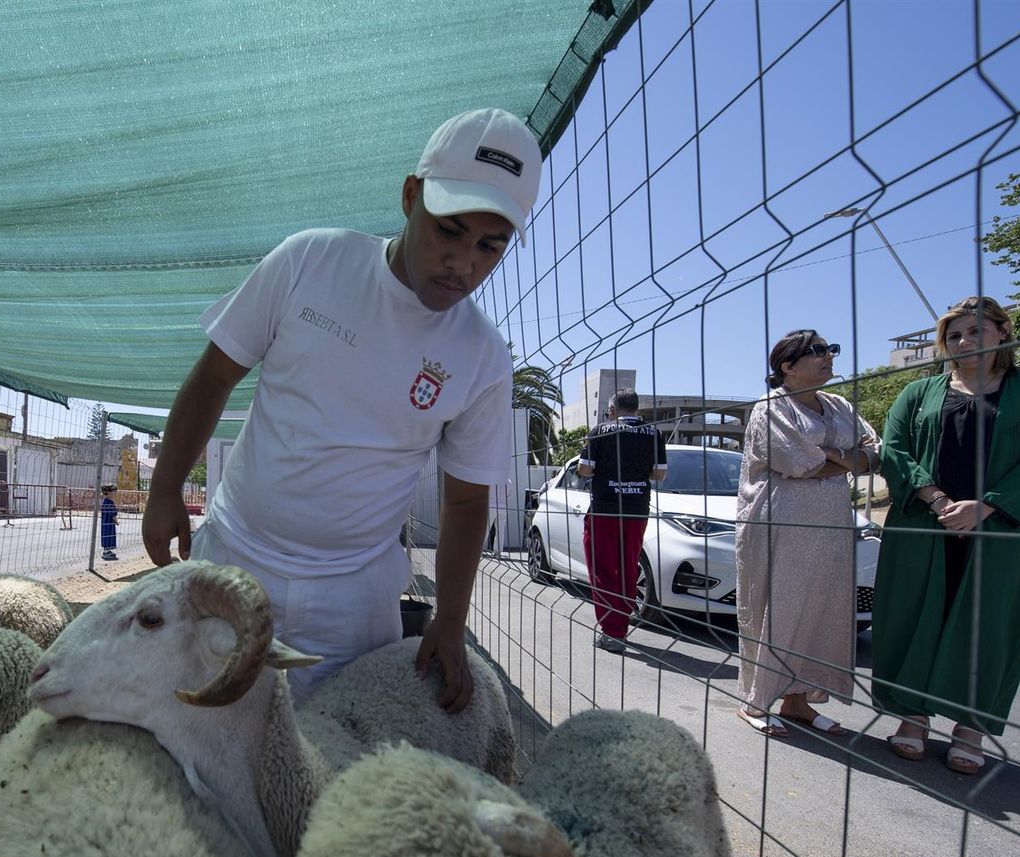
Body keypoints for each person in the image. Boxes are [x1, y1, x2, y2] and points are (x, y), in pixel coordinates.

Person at [142, 108, 539, 709]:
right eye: (450, 230)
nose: (465, 263)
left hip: (352, 603)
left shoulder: (482, 358)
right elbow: (215, 375)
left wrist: (452, 622)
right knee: (195, 732)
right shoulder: (311, 263)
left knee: (330, 771)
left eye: (491, 245)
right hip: (233, 559)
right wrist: (165, 488)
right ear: (411, 197)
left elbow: (465, 501)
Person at [873, 297, 1020, 774]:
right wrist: (938, 501)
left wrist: (987, 506)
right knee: (913, 615)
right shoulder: (918, 394)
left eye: (975, 331)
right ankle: (913, 717)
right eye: (954, 335)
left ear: (1003, 333)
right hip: (924, 524)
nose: (963, 342)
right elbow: (894, 450)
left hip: (1000, 529)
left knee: (990, 624)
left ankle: (969, 727)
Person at [734, 330, 879, 737]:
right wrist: (844, 458)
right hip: (779, 524)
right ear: (788, 366)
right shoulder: (771, 407)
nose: (829, 356)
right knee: (776, 609)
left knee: (822, 611)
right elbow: (797, 462)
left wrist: (831, 456)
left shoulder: (838, 405)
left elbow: (875, 448)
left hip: (830, 523)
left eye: (831, 349)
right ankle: (754, 700)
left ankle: (798, 702)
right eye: (818, 351)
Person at [578, 389, 667, 652]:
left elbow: (584, 468)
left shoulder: (601, 431)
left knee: (603, 570)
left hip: (605, 508)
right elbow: (660, 475)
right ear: (636, 410)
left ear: (613, 410)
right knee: (628, 567)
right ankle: (621, 624)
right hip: (637, 508)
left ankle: (612, 631)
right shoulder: (654, 433)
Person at [99, 484, 119, 561]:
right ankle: (107, 552)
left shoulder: (105, 502)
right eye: (113, 492)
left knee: (106, 535)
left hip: (105, 523)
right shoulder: (109, 502)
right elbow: (112, 514)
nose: (114, 494)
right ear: (109, 493)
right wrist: (116, 521)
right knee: (109, 535)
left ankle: (107, 550)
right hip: (109, 523)